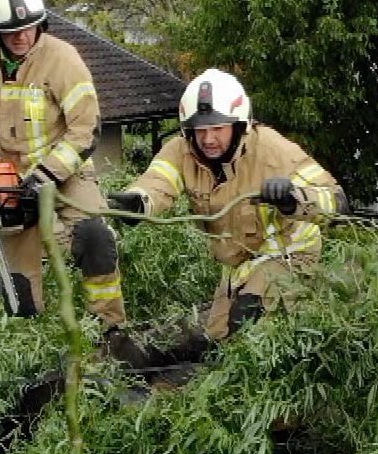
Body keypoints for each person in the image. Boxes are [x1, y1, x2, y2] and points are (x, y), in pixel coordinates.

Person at [108, 68, 346, 339]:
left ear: (239, 125)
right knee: (218, 342)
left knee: (247, 322)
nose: (208, 139)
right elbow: (158, 183)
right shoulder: (181, 150)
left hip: (290, 256)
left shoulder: (272, 150)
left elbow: (336, 200)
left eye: (217, 129)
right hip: (238, 266)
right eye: (200, 131)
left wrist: (295, 199)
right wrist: (139, 202)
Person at [0, 0, 126, 327]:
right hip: (9, 177)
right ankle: (33, 338)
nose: (22, 36)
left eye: (30, 27)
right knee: (19, 279)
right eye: (12, 30)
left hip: (65, 171)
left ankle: (111, 329)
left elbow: (86, 128)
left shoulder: (62, 58)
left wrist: (46, 175)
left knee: (96, 237)